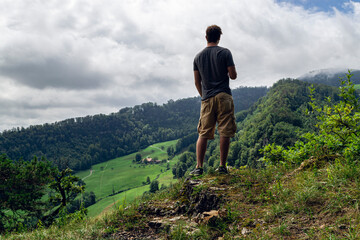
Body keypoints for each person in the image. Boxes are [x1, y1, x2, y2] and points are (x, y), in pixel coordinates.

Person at [190, 25, 237, 176]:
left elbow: (197, 82)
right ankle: (222, 166)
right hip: (223, 95)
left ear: (206, 37)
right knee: (225, 130)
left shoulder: (197, 57)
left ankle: (199, 167)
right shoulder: (225, 52)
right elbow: (233, 75)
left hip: (207, 98)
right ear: (219, 37)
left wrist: (204, 96)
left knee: (203, 132)